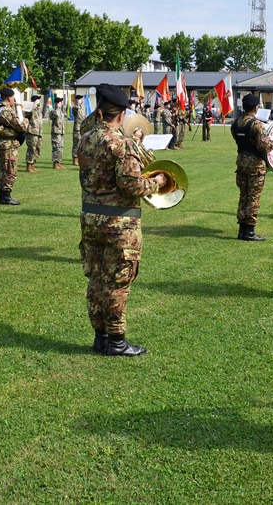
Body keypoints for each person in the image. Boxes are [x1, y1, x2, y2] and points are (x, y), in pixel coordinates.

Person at [78, 83, 167, 357]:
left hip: (90, 217)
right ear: (121, 115)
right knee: (117, 281)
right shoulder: (122, 144)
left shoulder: (86, 139)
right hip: (120, 224)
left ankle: (100, 337)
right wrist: (158, 182)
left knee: (95, 279)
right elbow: (132, 186)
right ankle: (117, 341)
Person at [231, 93, 273, 241]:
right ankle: (250, 231)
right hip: (255, 165)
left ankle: (242, 230)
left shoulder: (236, 123)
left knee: (243, 196)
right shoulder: (257, 124)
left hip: (241, 162)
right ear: (256, 107)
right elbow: (264, 147)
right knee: (253, 198)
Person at [0, 87, 24, 205]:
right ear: (10, 97)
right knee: (10, 170)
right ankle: (5, 197)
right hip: (8, 144)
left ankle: (3, 196)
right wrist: (25, 121)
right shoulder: (6, 110)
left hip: (0, 143)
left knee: (3, 169)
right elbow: (19, 126)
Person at [24, 94, 43, 172]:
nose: (39, 102)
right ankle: (29, 166)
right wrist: (34, 104)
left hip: (38, 132)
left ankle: (32, 165)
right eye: (38, 100)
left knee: (37, 148)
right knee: (31, 148)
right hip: (32, 131)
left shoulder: (38, 109)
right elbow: (28, 113)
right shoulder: (29, 107)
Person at [50, 97, 65, 169]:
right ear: (56, 103)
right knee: (56, 147)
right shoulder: (54, 111)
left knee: (60, 148)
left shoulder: (60, 111)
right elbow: (55, 115)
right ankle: (55, 163)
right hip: (56, 132)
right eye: (59, 102)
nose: (60, 103)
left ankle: (58, 162)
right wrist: (57, 108)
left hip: (61, 132)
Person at [71, 94, 85, 165]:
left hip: (82, 128)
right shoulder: (75, 108)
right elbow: (75, 110)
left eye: (81, 99)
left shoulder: (82, 108)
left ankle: (79, 158)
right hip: (77, 128)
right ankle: (75, 159)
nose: (81, 100)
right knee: (76, 144)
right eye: (79, 99)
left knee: (81, 144)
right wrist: (78, 103)